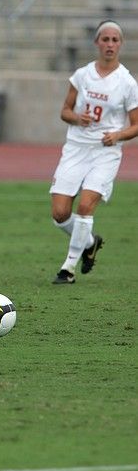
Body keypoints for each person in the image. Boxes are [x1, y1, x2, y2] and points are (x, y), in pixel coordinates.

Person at [50, 19, 138, 284]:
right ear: (97, 43)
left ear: (120, 44)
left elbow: (135, 125)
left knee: (86, 206)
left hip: (105, 152)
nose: (110, 44)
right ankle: (89, 243)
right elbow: (65, 110)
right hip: (76, 148)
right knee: (60, 213)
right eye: (105, 39)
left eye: (115, 40)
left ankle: (68, 268)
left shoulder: (127, 82)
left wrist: (118, 135)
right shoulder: (82, 75)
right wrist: (77, 118)